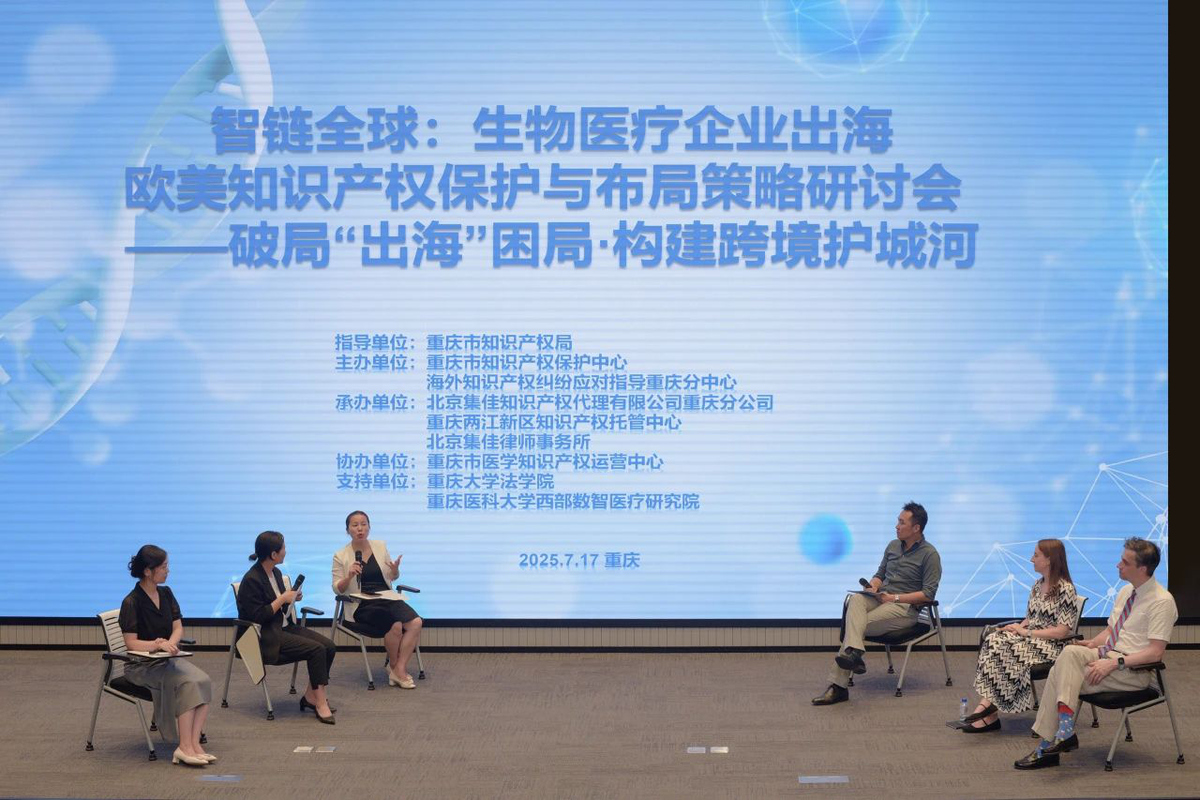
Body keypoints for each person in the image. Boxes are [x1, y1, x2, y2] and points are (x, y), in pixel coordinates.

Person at [1014, 537, 1176, 769]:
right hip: (1107, 654)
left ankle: (1048, 744)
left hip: (1133, 670)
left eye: (1125, 562)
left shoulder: (1162, 602)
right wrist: (1090, 644)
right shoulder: (1126, 592)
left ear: (1142, 568)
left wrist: (1114, 663)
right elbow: (1111, 631)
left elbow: (1155, 654)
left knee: (1059, 675)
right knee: (1070, 652)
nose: (1118, 565)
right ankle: (1063, 732)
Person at [812, 501, 941, 705]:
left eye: (902, 522)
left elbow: (928, 594)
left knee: (855, 627)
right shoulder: (892, 546)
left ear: (916, 528)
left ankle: (839, 686)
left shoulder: (930, 554)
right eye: (897, 521)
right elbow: (880, 574)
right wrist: (873, 585)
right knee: (856, 599)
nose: (896, 526)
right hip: (880, 598)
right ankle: (854, 654)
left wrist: (894, 598)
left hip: (904, 608)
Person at [961, 539, 1078, 732]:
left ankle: (987, 708)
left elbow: (1061, 631)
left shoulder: (1066, 590)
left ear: (1049, 560)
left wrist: (1027, 632)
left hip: (1053, 646)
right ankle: (989, 707)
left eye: (1036, 555)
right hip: (1032, 639)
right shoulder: (1037, 585)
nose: (1032, 559)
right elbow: (1031, 618)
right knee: (993, 639)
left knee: (1010, 649)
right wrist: (1016, 627)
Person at [118, 545, 214, 767]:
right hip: (141, 665)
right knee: (187, 683)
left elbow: (177, 627)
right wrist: (156, 645)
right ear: (147, 571)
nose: (167, 570)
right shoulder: (131, 602)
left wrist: (171, 642)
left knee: (203, 680)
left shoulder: (166, 593)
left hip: (166, 660)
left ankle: (194, 744)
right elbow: (131, 642)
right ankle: (184, 746)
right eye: (163, 567)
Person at [237, 531, 338, 723]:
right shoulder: (252, 579)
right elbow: (258, 617)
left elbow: (280, 608)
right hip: (266, 635)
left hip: (283, 626)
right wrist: (283, 598)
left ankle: (310, 696)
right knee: (317, 650)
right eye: (283, 548)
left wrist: (291, 598)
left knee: (329, 646)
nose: (286, 551)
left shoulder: (275, 573)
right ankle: (320, 701)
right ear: (273, 554)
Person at [332, 510, 424, 689]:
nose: (360, 528)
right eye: (355, 525)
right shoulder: (340, 555)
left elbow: (391, 576)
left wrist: (395, 571)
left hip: (387, 597)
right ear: (348, 530)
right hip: (362, 603)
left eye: (364, 524)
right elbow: (337, 588)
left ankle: (398, 669)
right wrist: (349, 576)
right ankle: (395, 668)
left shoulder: (380, 546)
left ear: (369, 527)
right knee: (395, 625)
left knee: (416, 622)